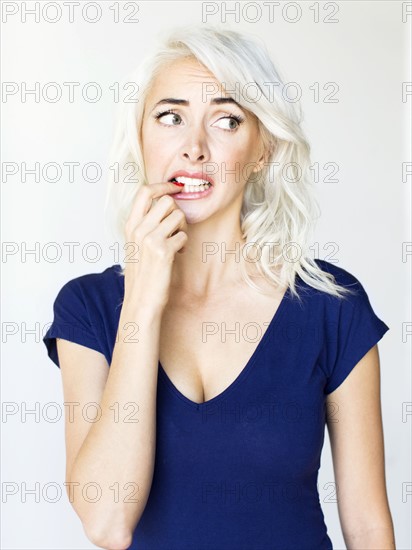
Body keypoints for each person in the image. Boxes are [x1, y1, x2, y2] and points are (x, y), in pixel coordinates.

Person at [43, 24, 396, 550]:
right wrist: (142, 296)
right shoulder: (89, 308)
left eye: (227, 120)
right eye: (171, 117)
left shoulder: (331, 307)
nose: (194, 149)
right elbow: (107, 522)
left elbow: (368, 527)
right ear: (140, 137)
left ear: (263, 148)